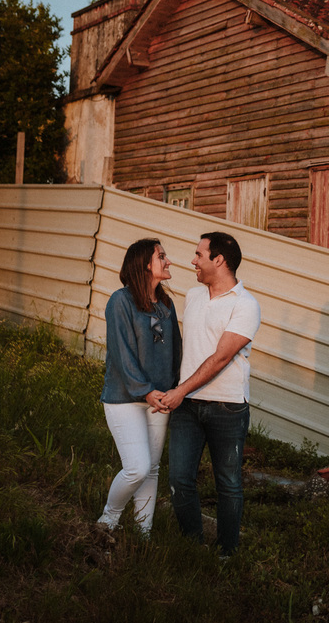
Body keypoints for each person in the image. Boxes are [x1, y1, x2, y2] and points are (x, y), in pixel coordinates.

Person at [150, 231, 261, 556]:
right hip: (187, 407)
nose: (192, 260)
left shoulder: (246, 305)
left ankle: (227, 552)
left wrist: (178, 391)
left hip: (227, 408)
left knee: (227, 483)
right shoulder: (193, 296)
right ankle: (194, 546)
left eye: (199, 254)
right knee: (179, 479)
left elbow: (221, 357)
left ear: (219, 260)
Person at [98, 238, 182, 535]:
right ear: (146, 264)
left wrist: (173, 389)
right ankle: (107, 521)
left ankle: (142, 534)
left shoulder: (166, 305)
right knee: (137, 467)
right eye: (162, 256)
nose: (168, 261)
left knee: (153, 469)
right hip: (124, 398)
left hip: (159, 401)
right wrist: (145, 390)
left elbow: (175, 352)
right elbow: (122, 354)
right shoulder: (120, 301)